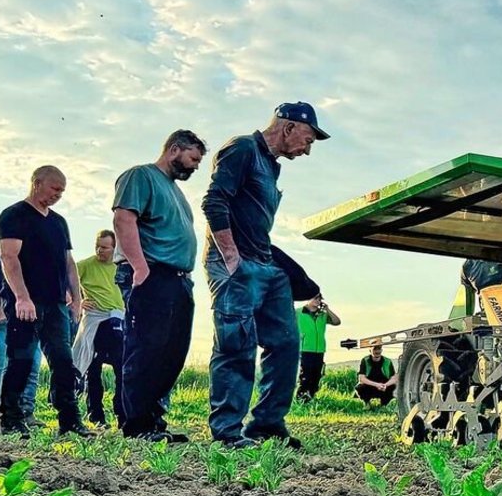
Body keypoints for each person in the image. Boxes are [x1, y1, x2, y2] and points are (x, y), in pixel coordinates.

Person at [202, 102, 328, 448]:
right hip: (237, 264)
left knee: (286, 342)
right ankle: (227, 433)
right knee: (236, 344)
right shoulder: (242, 148)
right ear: (288, 127)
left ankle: (267, 425)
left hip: (266, 264)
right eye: (308, 140)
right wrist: (231, 257)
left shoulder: (272, 166)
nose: (307, 150)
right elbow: (214, 201)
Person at [113, 130, 207, 443]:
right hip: (151, 273)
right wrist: (140, 267)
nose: (195, 166)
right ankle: (137, 425)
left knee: (171, 353)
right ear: (174, 150)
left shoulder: (176, 191)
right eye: (193, 158)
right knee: (146, 349)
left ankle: (154, 421)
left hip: (178, 279)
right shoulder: (141, 176)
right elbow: (123, 220)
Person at [0, 165, 90, 438]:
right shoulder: (14, 215)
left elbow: (68, 262)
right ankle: (11, 420)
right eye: (54, 189)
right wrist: (22, 297)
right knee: (21, 361)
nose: (58, 195)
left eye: (62, 191)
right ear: (37, 183)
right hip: (26, 303)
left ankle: (70, 422)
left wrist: (77, 298)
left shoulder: (59, 222)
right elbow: (8, 257)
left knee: (63, 361)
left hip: (56, 304)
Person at [71, 230, 126, 427]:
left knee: (122, 369)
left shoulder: (122, 267)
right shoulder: (85, 265)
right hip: (95, 321)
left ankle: (123, 415)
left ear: (114, 248)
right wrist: (77, 301)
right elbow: (64, 280)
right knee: (93, 370)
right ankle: (96, 415)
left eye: (104, 247)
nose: (99, 251)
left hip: (117, 321)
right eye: (97, 246)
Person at [0, 249, 40, 425]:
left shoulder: (31, 256)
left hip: (32, 318)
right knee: (4, 363)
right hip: (8, 317)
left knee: (33, 365)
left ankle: (27, 411)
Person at [295, 296, 341, 401]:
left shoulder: (323, 314)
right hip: (305, 349)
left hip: (319, 350)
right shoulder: (298, 312)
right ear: (308, 298)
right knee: (305, 375)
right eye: (315, 298)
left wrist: (327, 310)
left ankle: (310, 398)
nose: (318, 301)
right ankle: (300, 399)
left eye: (320, 299)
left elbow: (337, 322)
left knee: (316, 376)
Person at [355, 343, 397, 407]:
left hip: (384, 386)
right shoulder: (365, 360)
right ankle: (367, 404)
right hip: (370, 386)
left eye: (379, 349)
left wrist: (385, 385)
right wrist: (377, 385)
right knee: (360, 387)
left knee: (394, 387)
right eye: (375, 349)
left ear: (381, 350)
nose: (377, 351)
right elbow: (361, 379)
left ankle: (384, 405)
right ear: (370, 350)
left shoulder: (387, 361)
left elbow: (394, 378)